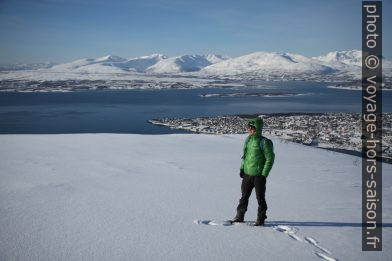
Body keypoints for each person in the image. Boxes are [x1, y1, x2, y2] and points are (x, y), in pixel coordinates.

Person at [231, 117, 275, 226]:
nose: (248, 129)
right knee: (244, 197)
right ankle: (239, 216)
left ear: (257, 129)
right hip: (247, 174)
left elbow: (270, 158)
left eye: (251, 128)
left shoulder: (265, 142)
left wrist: (264, 174)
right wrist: (242, 168)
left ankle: (261, 218)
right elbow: (245, 156)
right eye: (248, 127)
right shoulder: (248, 140)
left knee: (260, 198)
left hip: (259, 176)